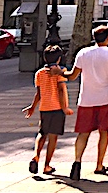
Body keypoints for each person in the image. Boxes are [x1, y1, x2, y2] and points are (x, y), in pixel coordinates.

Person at [51, 25, 108, 181]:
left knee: (83, 133)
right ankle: (99, 165)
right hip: (106, 98)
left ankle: (77, 162)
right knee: (104, 132)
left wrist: (61, 72)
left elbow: (72, 76)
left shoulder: (83, 53)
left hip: (86, 99)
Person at [23, 45, 73, 175]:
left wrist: (32, 107)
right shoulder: (59, 71)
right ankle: (47, 165)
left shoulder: (39, 73)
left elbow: (38, 93)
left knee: (42, 133)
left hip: (44, 107)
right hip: (57, 108)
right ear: (59, 59)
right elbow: (61, 90)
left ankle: (36, 156)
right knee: (53, 137)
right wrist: (65, 107)